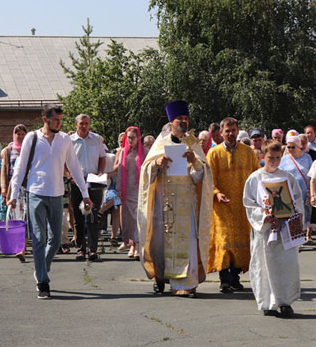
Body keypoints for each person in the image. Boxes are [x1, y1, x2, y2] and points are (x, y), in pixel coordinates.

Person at [8, 105, 92, 299]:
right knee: (39, 238)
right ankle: (43, 283)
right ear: (45, 119)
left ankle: (41, 269)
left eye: (61, 120)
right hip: (35, 193)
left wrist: (85, 193)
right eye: (56, 120)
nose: (59, 123)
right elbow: (20, 167)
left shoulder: (64, 139)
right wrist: (13, 194)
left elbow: (74, 167)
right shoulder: (32, 138)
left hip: (56, 194)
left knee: (55, 240)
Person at [137, 100, 214, 297]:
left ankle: (187, 284)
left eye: (186, 118)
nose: (183, 121)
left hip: (187, 202)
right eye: (180, 118)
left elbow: (202, 174)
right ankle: (162, 278)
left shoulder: (193, 143)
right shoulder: (161, 143)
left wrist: (194, 161)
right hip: (165, 201)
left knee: (187, 242)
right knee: (161, 242)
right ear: (172, 121)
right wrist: (157, 163)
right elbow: (146, 170)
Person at [242, 140, 302, 317]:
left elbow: (297, 199)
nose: (274, 161)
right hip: (265, 230)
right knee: (264, 265)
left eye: (277, 157)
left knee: (285, 265)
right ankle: (267, 302)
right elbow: (249, 203)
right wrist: (263, 215)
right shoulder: (255, 178)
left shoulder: (288, 178)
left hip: (284, 229)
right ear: (263, 157)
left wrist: (291, 212)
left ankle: (285, 302)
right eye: (270, 158)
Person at [206, 117, 259, 294]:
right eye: (227, 131)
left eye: (233, 130)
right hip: (222, 206)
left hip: (243, 205)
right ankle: (225, 280)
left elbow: (257, 176)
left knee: (242, 242)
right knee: (224, 242)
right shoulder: (213, 154)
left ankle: (235, 278)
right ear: (220, 132)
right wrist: (216, 193)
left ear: (237, 131)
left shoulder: (248, 152)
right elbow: (208, 179)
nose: (230, 134)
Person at [69, 114, 107, 262]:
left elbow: (102, 158)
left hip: (93, 181)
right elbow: (64, 161)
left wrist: (101, 172)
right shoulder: (70, 141)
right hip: (76, 182)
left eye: (86, 123)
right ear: (76, 125)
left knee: (93, 216)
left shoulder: (97, 139)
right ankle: (80, 249)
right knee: (78, 216)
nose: (84, 126)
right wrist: (69, 176)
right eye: (81, 124)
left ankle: (92, 249)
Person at [114, 126, 147, 260]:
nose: (130, 140)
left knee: (137, 218)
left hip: (139, 190)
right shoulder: (123, 152)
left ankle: (138, 246)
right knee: (128, 220)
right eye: (128, 138)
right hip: (126, 190)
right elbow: (120, 171)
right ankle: (132, 245)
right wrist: (119, 190)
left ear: (138, 138)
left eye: (133, 138)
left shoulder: (145, 152)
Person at [280, 134, 313, 239]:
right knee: (292, 214)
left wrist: (312, 192)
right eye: (288, 147)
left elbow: (312, 174)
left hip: (304, 191)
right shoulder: (284, 159)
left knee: (303, 213)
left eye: (292, 147)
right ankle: (295, 237)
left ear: (299, 146)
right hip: (289, 191)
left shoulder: (307, 157)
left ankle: (302, 235)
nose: (290, 149)